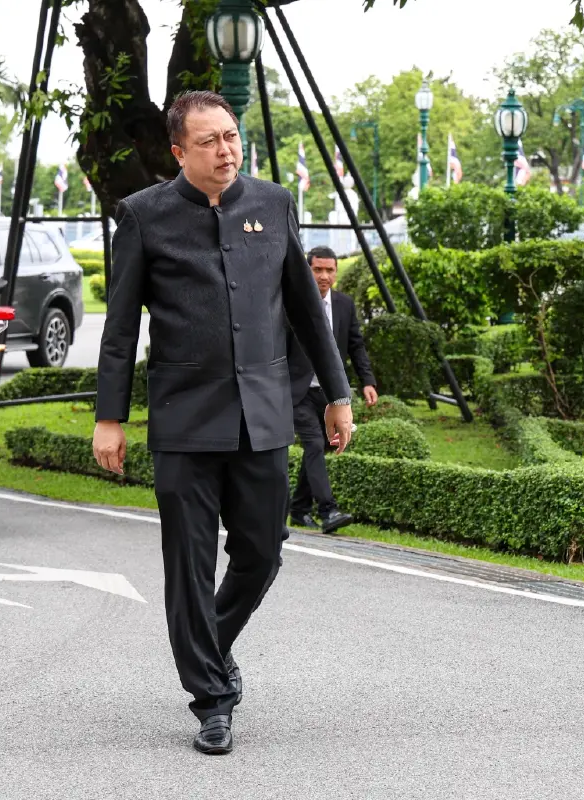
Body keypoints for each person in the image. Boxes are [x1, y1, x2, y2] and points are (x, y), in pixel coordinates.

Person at [92, 90, 352, 755]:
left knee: (263, 552)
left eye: (231, 137)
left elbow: (304, 309)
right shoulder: (144, 217)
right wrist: (110, 419)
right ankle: (212, 698)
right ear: (179, 152)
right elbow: (120, 331)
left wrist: (337, 395)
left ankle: (208, 643)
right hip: (184, 423)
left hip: (262, 417)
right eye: (208, 142)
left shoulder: (273, 204)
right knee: (189, 563)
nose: (225, 151)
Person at [286, 245, 378, 533]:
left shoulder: (344, 305)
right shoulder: (290, 301)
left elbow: (355, 345)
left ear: (336, 273)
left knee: (322, 447)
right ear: (308, 270)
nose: (324, 276)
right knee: (313, 444)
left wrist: (367, 381)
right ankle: (328, 510)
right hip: (295, 390)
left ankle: (299, 510)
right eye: (318, 269)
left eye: (329, 270)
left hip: (327, 394)